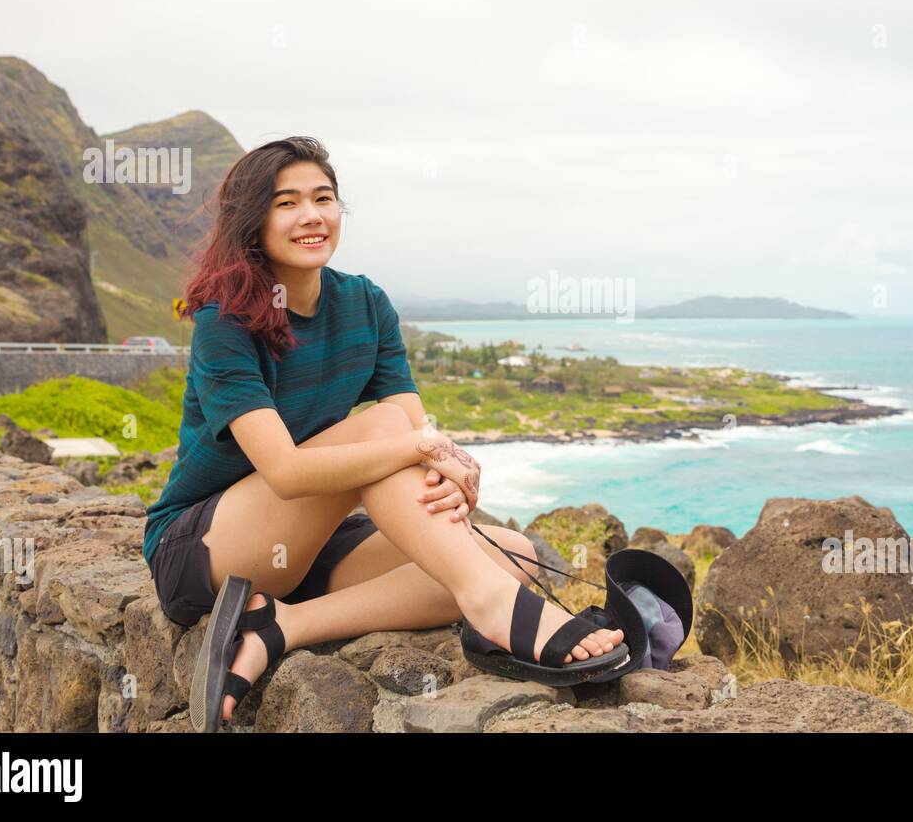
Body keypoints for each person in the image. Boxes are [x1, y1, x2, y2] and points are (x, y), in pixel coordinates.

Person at [142, 137, 622, 724]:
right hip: (208, 547)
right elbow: (289, 473)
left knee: (513, 554)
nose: (312, 215)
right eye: (286, 203)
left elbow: (418, 443)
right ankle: (494, 607)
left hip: (308, 543)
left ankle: (282, 626)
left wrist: (455, 473)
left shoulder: (365, 304)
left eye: (324, 197)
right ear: (253, 221)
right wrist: (422, 446)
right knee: (388, 430)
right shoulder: (227, 318)